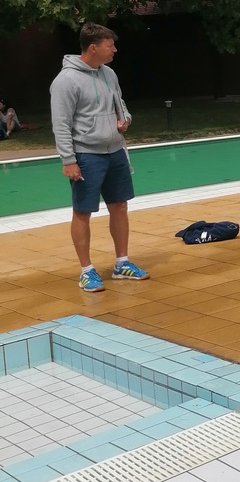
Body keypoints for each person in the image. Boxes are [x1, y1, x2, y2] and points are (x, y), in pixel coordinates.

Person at [49, 23, 149, 292]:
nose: (115, 50)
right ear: (93, 48)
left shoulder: (109, 74)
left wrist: (125, 120)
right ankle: (86, 271)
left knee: (120, 206)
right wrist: (68, 160)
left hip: (115, 150)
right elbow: (60, 124)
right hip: (86, 154)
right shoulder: (66, 81)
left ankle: (122, 263)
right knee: (82, 212)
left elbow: (120, 104)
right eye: (110, 45)